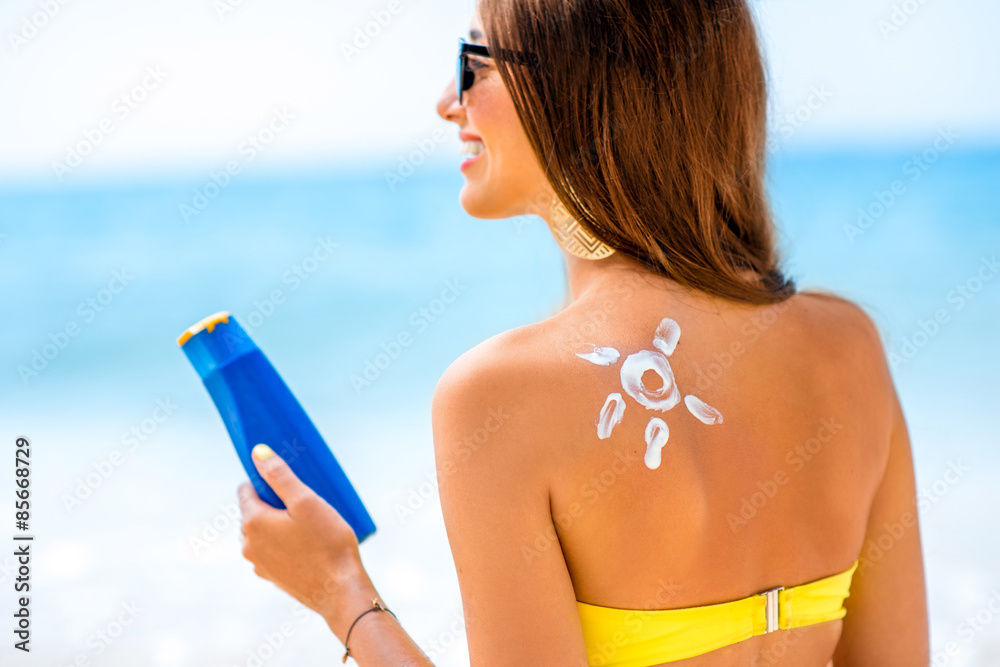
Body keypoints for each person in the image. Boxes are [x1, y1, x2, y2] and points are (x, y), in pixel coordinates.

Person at [236, 1, 930, 665]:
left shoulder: (499, 393)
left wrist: (339, 591)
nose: (448, 99)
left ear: (582, 81)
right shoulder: (850, 345)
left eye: (473, 59)